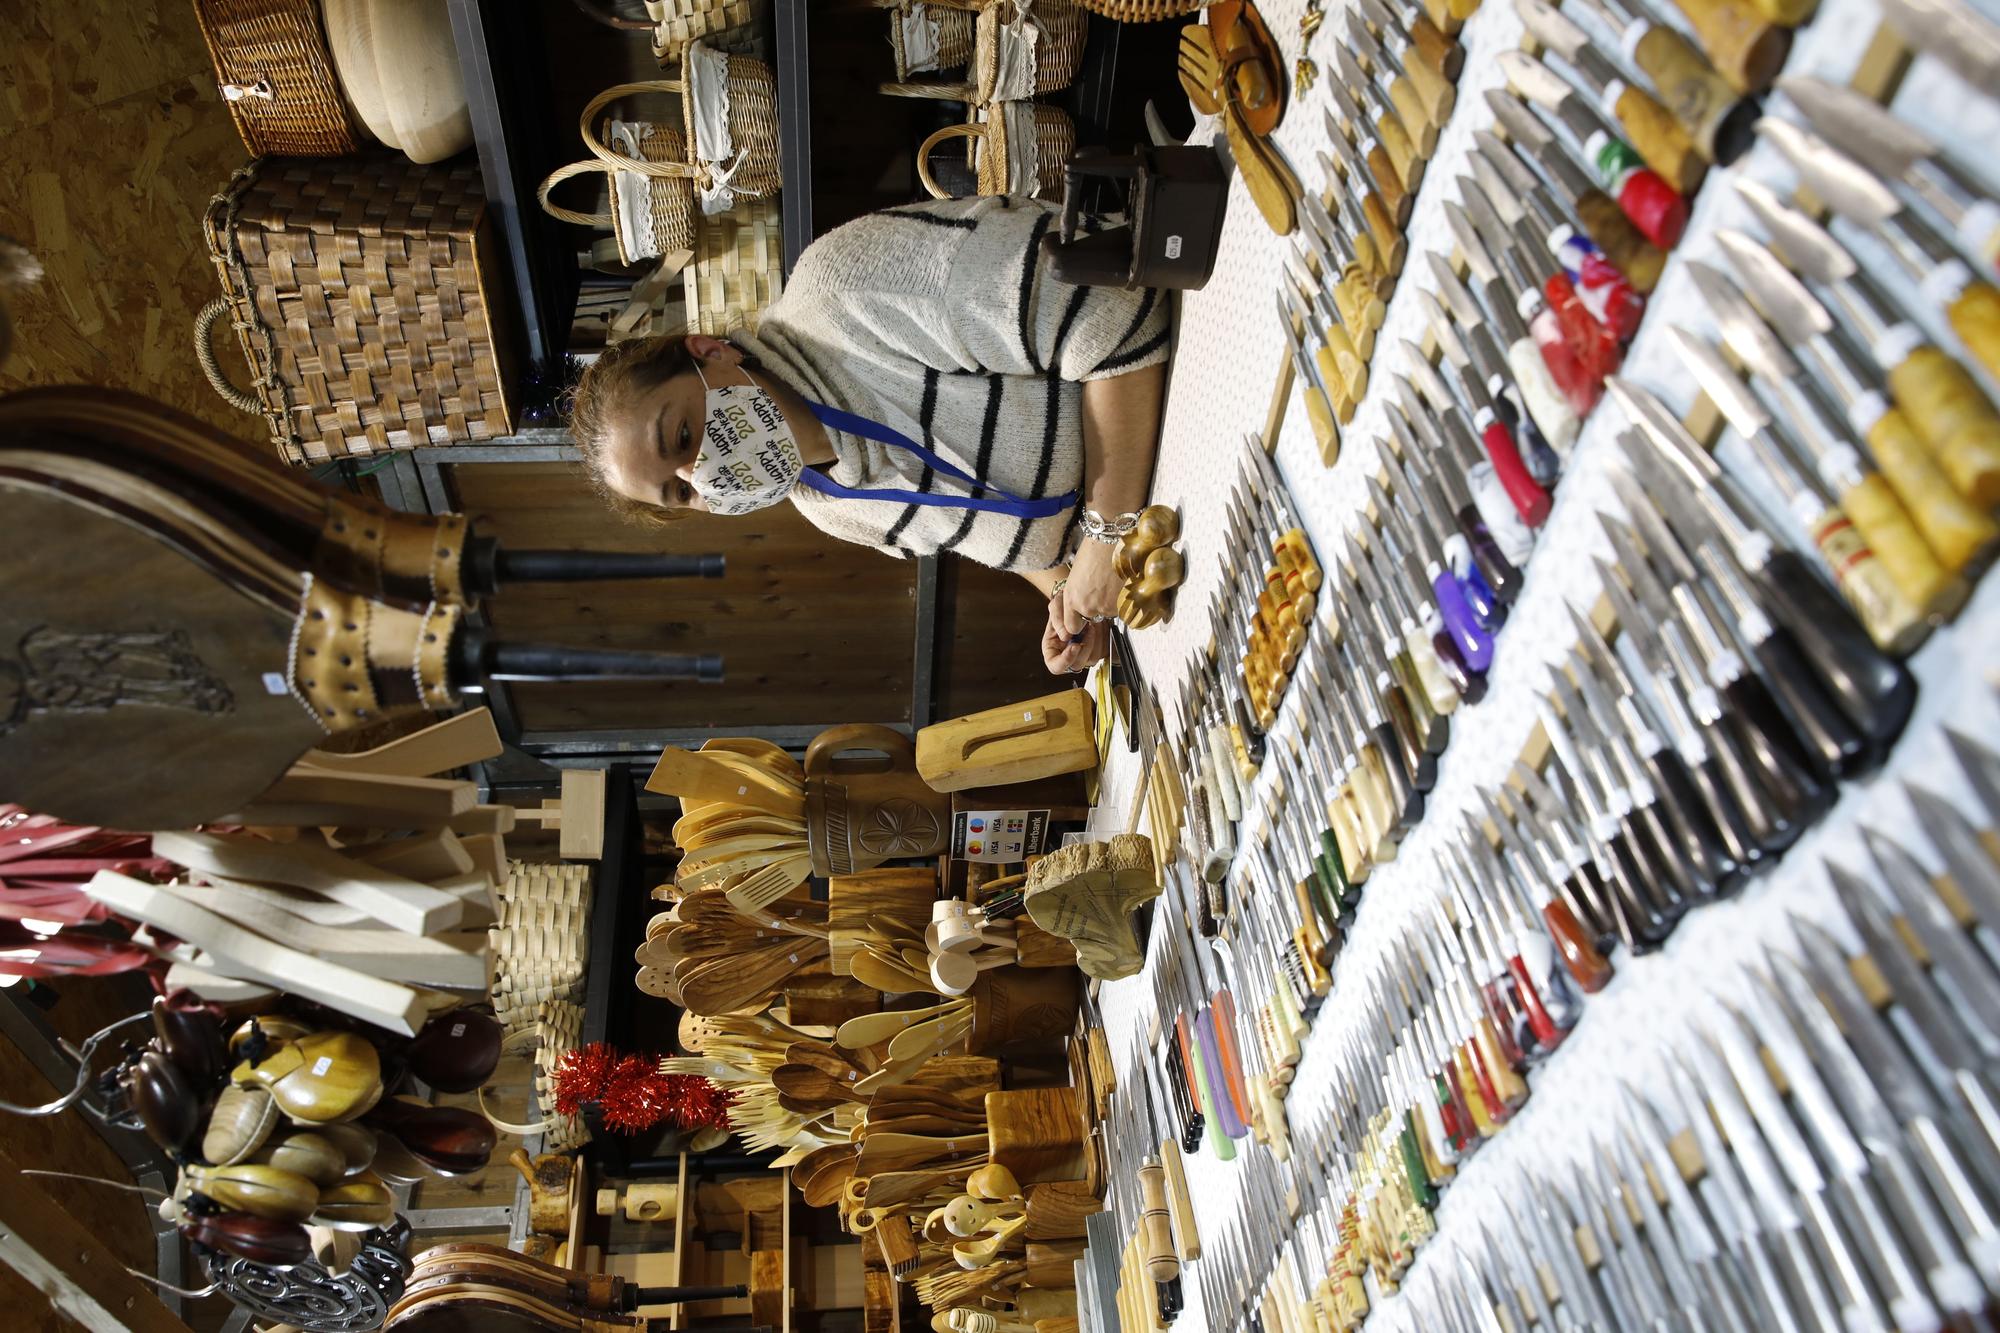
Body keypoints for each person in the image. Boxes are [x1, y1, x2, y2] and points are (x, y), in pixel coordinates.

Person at [567, 194, 1171, 674]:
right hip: (1152, 531)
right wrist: (1066, 598)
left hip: (1183, 400)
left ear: (708, 351)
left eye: (679, 436)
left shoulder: (842, 291)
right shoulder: (827, 506)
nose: (699, 472)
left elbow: (1111, 291)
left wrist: (1107, 530)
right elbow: (996, 520)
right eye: (679, 493)